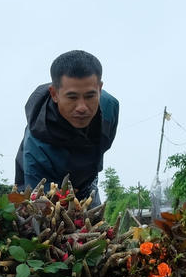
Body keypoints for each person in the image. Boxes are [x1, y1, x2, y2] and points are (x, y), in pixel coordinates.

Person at [14, 49, 119, 201]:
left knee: (94, 214)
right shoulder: (37, 142)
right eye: (72, 97)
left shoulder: (110, 108)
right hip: (41, 183)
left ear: (100, 89)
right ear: (54, 94)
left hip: (86, 183)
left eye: (90, 96)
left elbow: (102, 147)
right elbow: (40, 202)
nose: (82, 107)